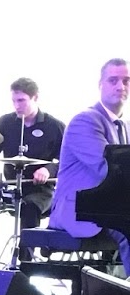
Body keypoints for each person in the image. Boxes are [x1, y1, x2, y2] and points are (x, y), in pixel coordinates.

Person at [50, 57, 130, 271]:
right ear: (100, 84)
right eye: (113, 80)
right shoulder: (85, 121)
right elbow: (108, 169)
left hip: (110, 207)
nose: (121, 86)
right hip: (77, 210)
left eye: (126, 80)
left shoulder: (125, 125)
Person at [0, 77, 64, 228]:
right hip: (10, 188)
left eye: (21, 100)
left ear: (35, 98)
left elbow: (67, 161)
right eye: (14, 101)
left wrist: (48, 170)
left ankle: (27, 244)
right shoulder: (6, 122)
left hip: (41, 191)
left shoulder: (54, 126)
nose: (17, 106)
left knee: (29, 207)